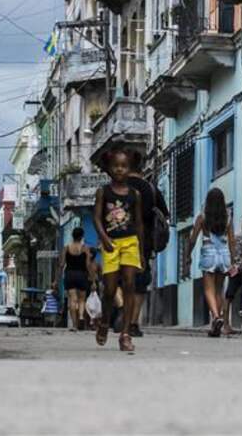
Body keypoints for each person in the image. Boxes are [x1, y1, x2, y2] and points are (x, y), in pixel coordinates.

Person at [93, 149, 145, 352]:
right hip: (111, 244)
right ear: (109, 168)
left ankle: (125, 334)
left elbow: (139, 223)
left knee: (130, 285)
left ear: (130, 169)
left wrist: (141, 250)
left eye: (124, 166)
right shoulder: (103, 192)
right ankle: (105, 321)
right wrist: (104, 238)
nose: (120, 170)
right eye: (116, 166)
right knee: (110, 290)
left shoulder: (135, 195)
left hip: (130, 242)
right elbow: (97, 218)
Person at [126, 152, 169, 337]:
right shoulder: (151, 189)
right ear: (142, 166)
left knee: (121, 280)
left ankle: (123, 316)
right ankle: (134, 321)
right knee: (141, 283)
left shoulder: (119, 188)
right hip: (144, 243)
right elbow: (164, 215)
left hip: (120, 240)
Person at [185, 188, 237, 337]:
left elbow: (193, 238)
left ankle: (215, 317)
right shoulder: (227, 217)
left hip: (209, 254)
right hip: (224, 256)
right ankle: (216, 322)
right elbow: (232, 241)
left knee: (209, 289)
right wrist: (233, 261)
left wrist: (188, 255)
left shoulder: (202, 217)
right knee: (219, 289)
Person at [56, 227, 92, 331]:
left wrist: (56, 279)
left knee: (72, 299)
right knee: (81, 300)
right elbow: (88, 265)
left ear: (72, 236)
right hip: (82, 274)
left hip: (70, 274)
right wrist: (93, 279)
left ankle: (75, 325)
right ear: (82, 237)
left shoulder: (66, 248)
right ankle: (81, 316)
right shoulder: (85, 248)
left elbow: (62, 264)